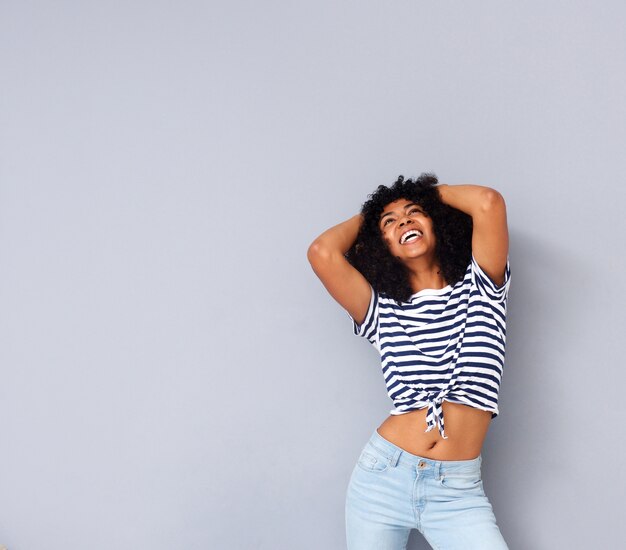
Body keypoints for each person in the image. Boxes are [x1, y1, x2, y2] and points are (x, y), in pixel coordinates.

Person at [306, 174, 511, 550]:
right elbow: (322, 252)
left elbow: (488, 202)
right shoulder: (380, 310)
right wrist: (373, 215)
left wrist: (423, 195)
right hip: (383, 478)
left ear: (438, 222)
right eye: (391, 222)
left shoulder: (482, 287)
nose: (404, 221)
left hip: (457, 492)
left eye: (415, 214)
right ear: (380, 245)